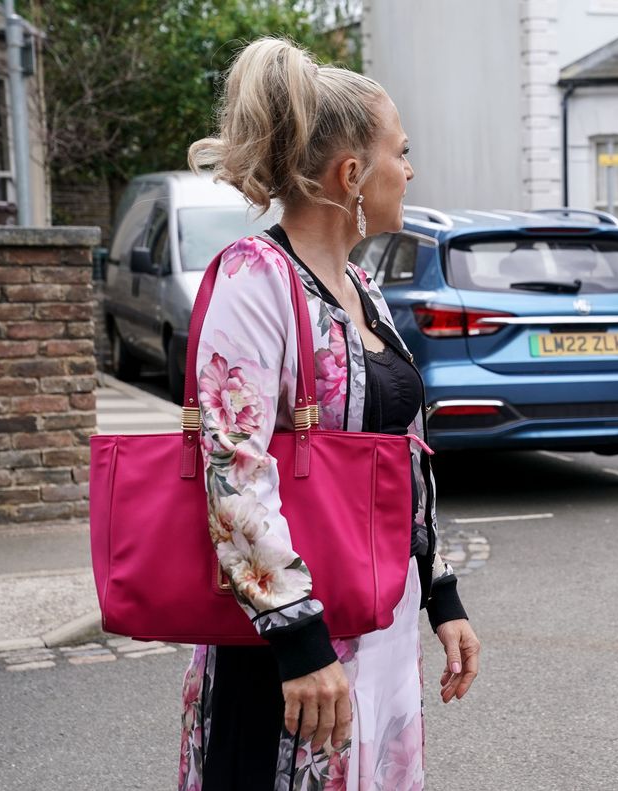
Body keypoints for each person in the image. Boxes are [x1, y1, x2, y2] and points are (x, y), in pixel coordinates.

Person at [178, 38, 479, 790]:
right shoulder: (256, 278)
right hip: (290, 650)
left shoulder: (362, 291)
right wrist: (299, 641)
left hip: (376, 624)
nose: (409, 171)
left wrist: (439, 591)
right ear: (352, 174)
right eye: (401, 153)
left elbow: (404, 456)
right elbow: (231, 472)